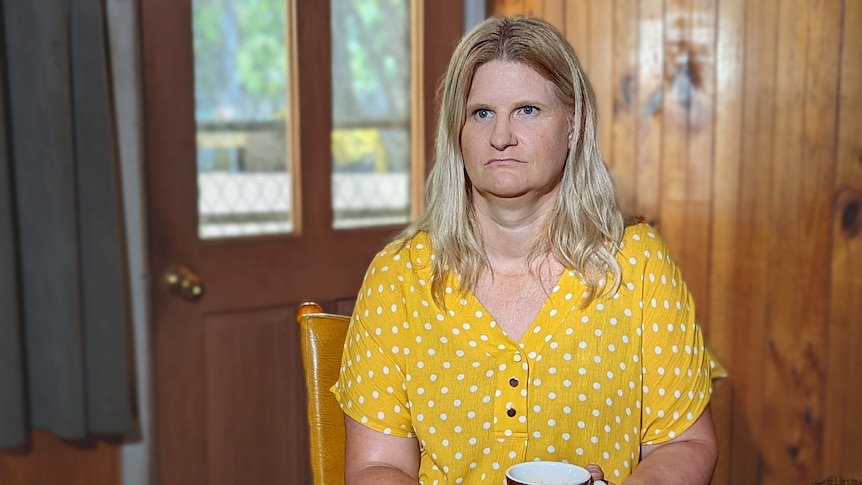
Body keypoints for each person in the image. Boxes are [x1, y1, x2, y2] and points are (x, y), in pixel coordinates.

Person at [332, 15, 717, 485]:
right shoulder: (399, 276)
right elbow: (378, 466)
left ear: (573, 124)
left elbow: (685, 443)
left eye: (528, 110)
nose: (501, 137)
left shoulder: (638, 264)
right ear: (458, 131)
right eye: (482, 113)